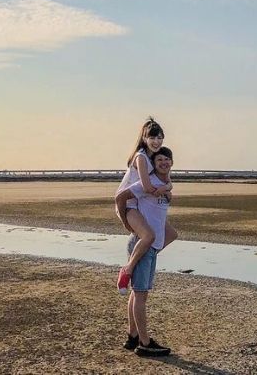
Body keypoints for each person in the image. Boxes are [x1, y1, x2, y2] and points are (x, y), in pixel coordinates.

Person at [114, 147, 175, 357]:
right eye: (159, 160)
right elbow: (121, 197)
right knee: (141, 295)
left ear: (172, 163)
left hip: (150, 247)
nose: (163, 162)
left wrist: (168, 189)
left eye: (167, 159)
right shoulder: (146, 185)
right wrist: (125, 222)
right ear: (153, 163)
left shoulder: (164, 186)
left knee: (138, 293)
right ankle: (145, 343)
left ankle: (132, 336)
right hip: (142, 244)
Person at [115, 118, 177, 289]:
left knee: (171, 234)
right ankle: (128, 268)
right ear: (144, 138)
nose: (156, 142)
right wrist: (124, 220)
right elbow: (148, 186)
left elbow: (168, 183)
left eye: (159, 138)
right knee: (148, 236)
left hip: (138, 201)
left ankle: (145, 254)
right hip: (127, 203)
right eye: (152, 138)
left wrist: (166, 189)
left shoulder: (152, 158)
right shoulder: (141, 157)